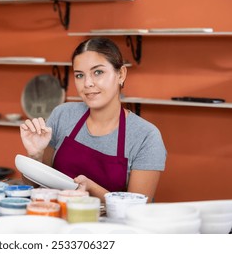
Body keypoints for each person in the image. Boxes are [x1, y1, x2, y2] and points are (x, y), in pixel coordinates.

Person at [19, 37, 167, 203]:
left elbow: (137, 209)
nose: (87, 83)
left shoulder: (146, 136)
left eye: (98, 72)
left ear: (121, 74)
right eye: (80, 75)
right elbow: (35, 188)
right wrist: (35, 156)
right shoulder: (62, 115)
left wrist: (91, 188)